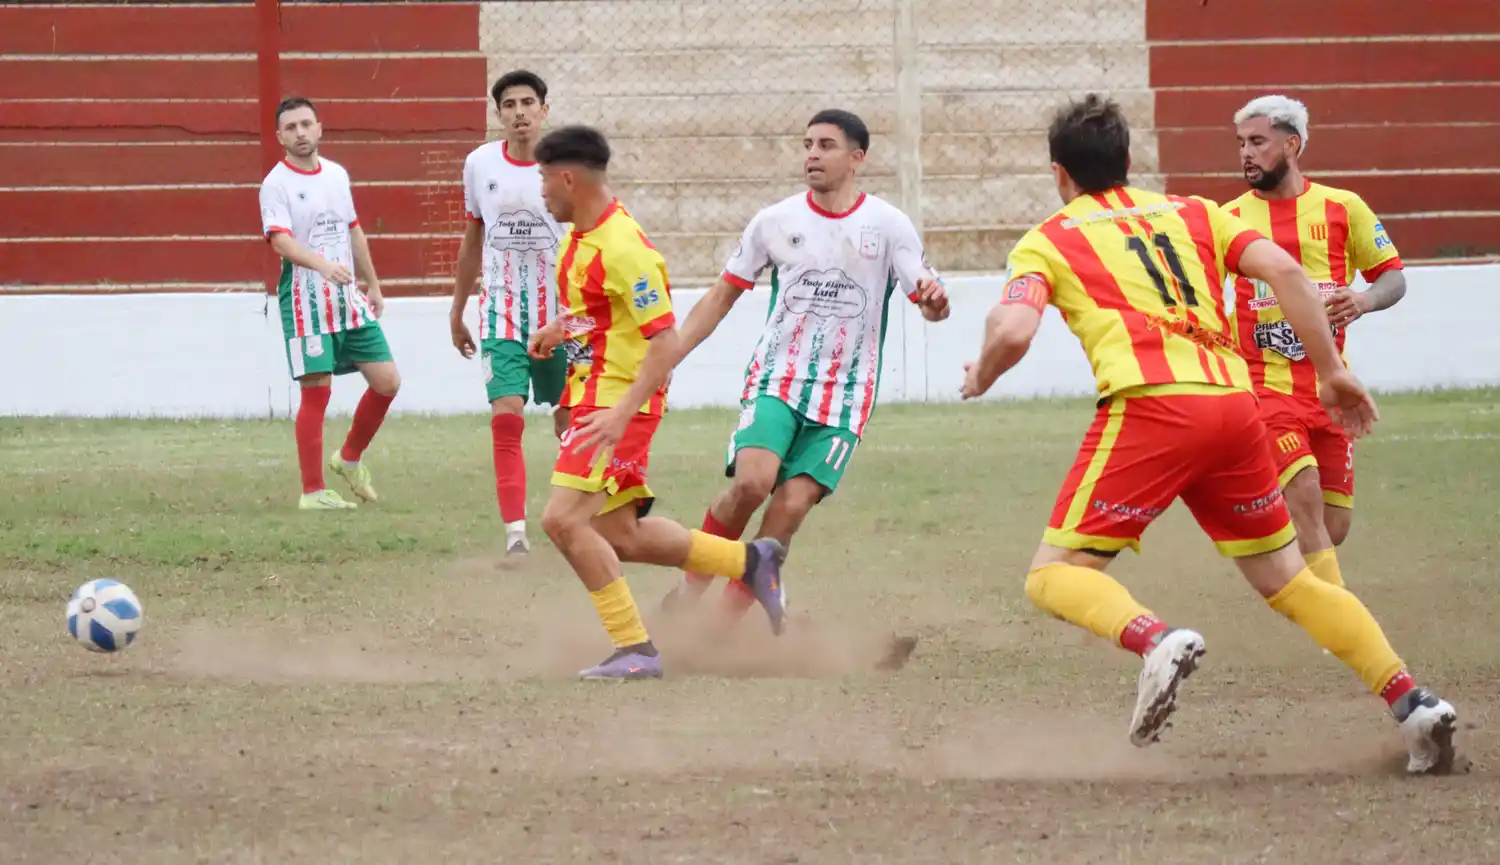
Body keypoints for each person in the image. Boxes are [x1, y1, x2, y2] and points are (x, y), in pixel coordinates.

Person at [960, 94, 1457, 774]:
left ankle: (1155, 638)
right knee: (1290, 578)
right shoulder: (1193, 211)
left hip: (1153, 407)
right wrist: (1332, 370)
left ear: (1059, 174)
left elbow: (1013, 328)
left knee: (1054, 575)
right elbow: (1285, 269)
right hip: (1235, 405)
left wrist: (981, 373)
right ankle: (1414, 702)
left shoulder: (1049, 237)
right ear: (1129, 161)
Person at [656, 109, 950, 627]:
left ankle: (721, 627)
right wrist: (669, 357)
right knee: (751, 484)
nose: (812, 154)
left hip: (846, 395)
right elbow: (721, 296)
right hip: (779, 378)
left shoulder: (887, 224)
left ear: (857, 158)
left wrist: (934, 300)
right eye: (808, 144)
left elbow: (926, 298)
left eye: (826, 145)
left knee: (789, 506)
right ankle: (688, 590)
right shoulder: (775, 221)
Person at [523, 125, 789, 680]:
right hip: (595, 399)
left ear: (568, 178)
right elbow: (599, 313)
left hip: (617, 407)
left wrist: (619, 416)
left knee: (562, 521)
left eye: (544, 179)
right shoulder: (579, 238)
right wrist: (558, 327)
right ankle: (750, 560)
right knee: (622, 534)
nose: (541, 191)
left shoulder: (625, 249)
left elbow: (664, 343)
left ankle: (635, 650)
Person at [1226, 94, 1407, 587]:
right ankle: (1341, 625)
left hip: (1330, 388)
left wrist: (1365, 300)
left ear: (1292, 144)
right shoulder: (1228, 219)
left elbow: (1393, 277)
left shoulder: (1342, 208)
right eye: (1241, 143)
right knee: (1304, 496)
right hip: (1266, 390)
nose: (1246, 153)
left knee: (1332, 526)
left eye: (1258, 141)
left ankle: (1264, 539)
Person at [450, 70, 570, 558]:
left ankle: (579, 519)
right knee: (507, 419)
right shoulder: (479, 165)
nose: (519, 112)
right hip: (500, 313)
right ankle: (516, 535)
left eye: (528, 102)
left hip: (561, 317)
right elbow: (473, 236)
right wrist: (457, 310)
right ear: (498, 114)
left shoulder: (566, 166)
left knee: (570, 421)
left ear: (544, 109)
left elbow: (588, 236)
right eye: (509, 104)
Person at [259, 96, 400, 511]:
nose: (300, 133)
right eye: (291, 127)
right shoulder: (276, 184)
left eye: (306, 124)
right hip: (306, 302)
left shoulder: (337, 175)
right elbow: (280, 241)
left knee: (387, 382)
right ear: (280, 136)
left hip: (348, 299)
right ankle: (313, 491)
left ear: (320, 127)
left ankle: (349, 458)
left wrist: (372, 284)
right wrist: (322, 265)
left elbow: (353, 230)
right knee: (316, 393)